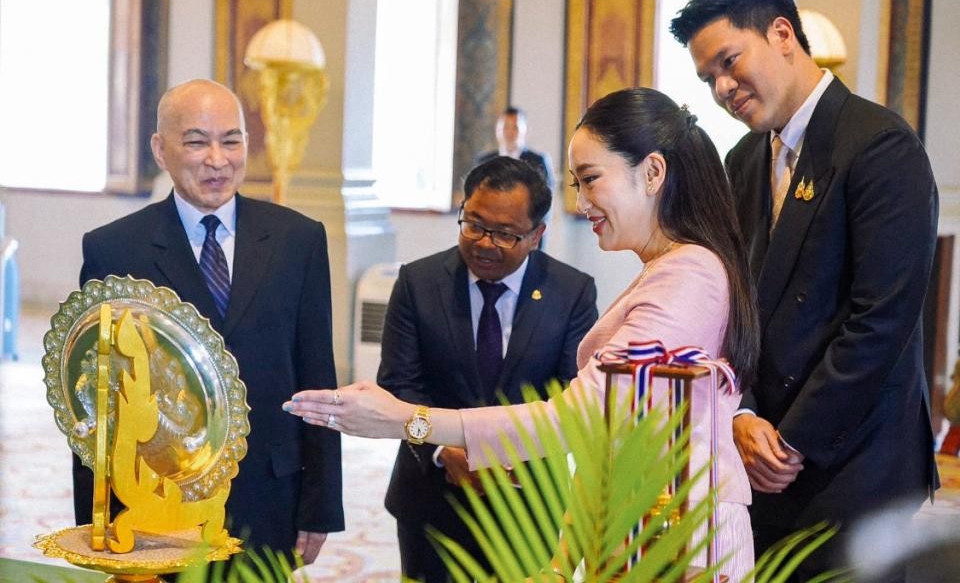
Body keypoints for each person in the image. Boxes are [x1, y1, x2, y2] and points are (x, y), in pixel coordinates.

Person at [286, 87, 761, 581]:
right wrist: (563, 561)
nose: (582, 202)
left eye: (591, 179)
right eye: (576, 183)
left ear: (653, 173)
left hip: (679, 538)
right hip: (640, 529)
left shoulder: (689, 273)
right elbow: (606, 441)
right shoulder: (670, 268)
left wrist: (408, 420)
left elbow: (575, 419)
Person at [669, 0, 939, 579]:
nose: (722, 88)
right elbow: (732, 307)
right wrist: (741, 415)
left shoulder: (878, 145)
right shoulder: (743, 160)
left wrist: (793, 440)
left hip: (854, 463)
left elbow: (881, 320)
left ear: (782, 34)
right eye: (707, 78)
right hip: (758, 454)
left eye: (729, 62)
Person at [74, 79, 344, 562]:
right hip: (158, 503)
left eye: (231, 140)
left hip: (270, 493)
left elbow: (317, 376)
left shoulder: (297, 240)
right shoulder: (114, 249)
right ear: (161, 150)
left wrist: (320, 507)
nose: (217, 160)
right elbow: (95, 401)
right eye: (197, 142)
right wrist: (95, 520)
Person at [378, 156, 598, 582]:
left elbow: (574, 393)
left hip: (527, 502)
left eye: (505, 234)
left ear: (536, 235)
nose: (484, 243)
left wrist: (510, 453)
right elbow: (399, 385)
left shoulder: (571, 293)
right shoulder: (418, 283)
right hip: (431, 498)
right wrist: (442, 450)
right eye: (474, 225)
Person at [474, 106, 554, 191]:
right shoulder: (484, 161)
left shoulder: (538, 161)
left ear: (525, 130)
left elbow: (546, 192)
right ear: (497, 130)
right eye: (505, 127)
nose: (509, 133)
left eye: (515, 128)